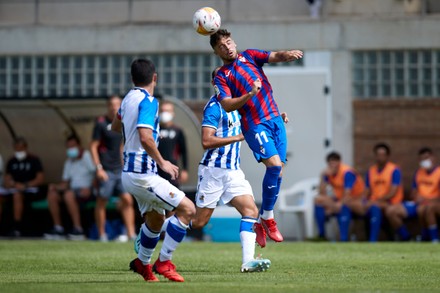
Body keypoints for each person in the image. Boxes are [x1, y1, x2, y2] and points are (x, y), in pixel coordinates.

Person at [210, 29, 303, 247]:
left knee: (278, 170)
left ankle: (263, 220)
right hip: (254, 125)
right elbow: (226, 104)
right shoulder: (222, 76)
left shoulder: (250, 56)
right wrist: (250, 94)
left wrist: (287, 54)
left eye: (229, 42)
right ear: (217, 52)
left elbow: (274, 56)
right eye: (221, 46)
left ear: (234, 42)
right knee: (273, 166)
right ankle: (268, 218)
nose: (227, 47)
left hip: (275, 121)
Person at [112, 58, 195, 282]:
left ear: (132, 79)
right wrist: (163, 163)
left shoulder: (128, 98)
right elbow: (145, 137)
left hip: (129, 173)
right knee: (188, 209)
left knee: (156, 220)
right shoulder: (149, 101)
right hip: (143, 174)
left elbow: (114, 126)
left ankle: (143, 263)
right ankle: (164, 262)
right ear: (154, 78)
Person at [90, 95, 136, 242]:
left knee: (127, 200)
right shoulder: (101, 123)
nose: (114, 106)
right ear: (108, 106)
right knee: (102, 201)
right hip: (106, 169)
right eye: (111, 104)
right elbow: (93, 146)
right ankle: (102, 234)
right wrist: (99, 168)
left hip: (120, 169)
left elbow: (123, 145)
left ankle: (131, 233)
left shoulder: (124, 122)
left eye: (117, 104)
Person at [44, 135, 96, 240]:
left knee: (68, 195)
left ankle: (78, 229)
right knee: (52, 195)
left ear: (78, 145)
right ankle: (58, 228)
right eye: (69, 147)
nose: (71, 149)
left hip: (87, 190)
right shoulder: (69, 162)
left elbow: (96, 173)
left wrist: (90, 188)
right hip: (73, 190)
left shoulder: (86, 156)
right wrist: (55, 187)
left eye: (73, 146)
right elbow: (65, 183)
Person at [386, 147, 439, 242]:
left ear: (432, 158)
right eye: (422, 159)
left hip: (432, 204)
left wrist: (427, 200)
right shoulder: (418, 173)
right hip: (418, 203)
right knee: (391, 211)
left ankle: (432, 239)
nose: (424, 161)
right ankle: (407, 238)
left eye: (426, 158)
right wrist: (416, 197)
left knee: (425, 209)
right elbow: (413, 192)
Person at [314, 152, 365, 241]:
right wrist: (322, 176)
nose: (333, 165)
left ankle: (343, 238)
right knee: (318, 200)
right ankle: (322, 235)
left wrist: (336, 206)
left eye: (335, 163)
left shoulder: (347, 172)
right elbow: (322, 193)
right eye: (331, 163)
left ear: (339, 162)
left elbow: (347, 194)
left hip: (357, 200)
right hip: (340, 199)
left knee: (344, 205)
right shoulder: (328, 173)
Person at [1, 137, 45, 236]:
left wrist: (25, 185)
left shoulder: (34, 160)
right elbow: (7, 179)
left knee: (17, 195)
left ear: (25, 147)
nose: (18, 151)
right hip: (13, 190)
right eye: (16, 149)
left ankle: (17, 227)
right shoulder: (11, 161)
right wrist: (13, 184)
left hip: (30, 191)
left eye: (20, 149)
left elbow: (40, 179)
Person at [364, 143, 404, 242]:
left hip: (392, 202)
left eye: (383, 155)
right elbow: (367, 190)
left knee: (377, 207)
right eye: (378, 154)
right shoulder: (371, 171)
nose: (380, 157)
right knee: (368, 207)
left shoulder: (394, 170)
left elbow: (393, 192)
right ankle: (373, 240)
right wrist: (364, 200)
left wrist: (376, 201)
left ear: (387, 156)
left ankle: (405, 237)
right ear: (375, 155)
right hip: (375, 201)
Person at [158, 100, 189, 188]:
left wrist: (185, 170)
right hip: (156, 170)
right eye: (163, 111)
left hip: (172, 169)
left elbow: (184, 151)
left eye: (167, 111)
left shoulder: (178, 131)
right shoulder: (155, 130)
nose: (165, 113)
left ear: (173, 113)